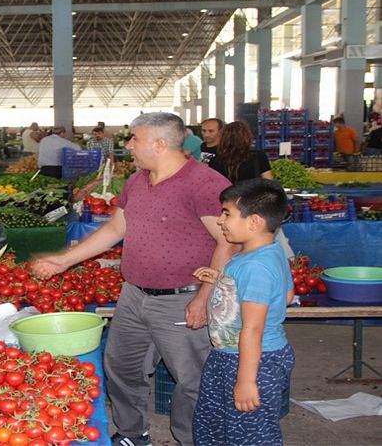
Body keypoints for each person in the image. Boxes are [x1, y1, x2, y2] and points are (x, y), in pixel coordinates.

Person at [32, 112, 235, 446]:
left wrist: (203, 297)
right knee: (121, 367)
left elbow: (227, 242)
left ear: (159, 143)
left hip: (183, 298)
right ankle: (133, 432)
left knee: (191, 379)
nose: (129, 145)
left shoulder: (205, 184)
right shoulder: (138, 181)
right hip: (133, 295)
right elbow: (115, 228)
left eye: (134, 138)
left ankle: (193, 438)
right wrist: (63, 261)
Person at [192, 178, 295, 446]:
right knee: (215, 424)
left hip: (252, 362)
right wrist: (223, 281)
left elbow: (253, 328)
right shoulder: (264, 252)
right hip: (231, 356)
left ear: (255, 222)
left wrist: (247, 381)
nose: (220, 221)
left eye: (227, 214)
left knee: (250, 434)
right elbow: (286, 295)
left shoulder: (255, 267)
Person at [208, 121, 274, 183]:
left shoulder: (215, 160)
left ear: (223, 138)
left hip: (226, 194)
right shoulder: (258, 156)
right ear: (247, 137)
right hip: (252, 194)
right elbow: (268, 181)